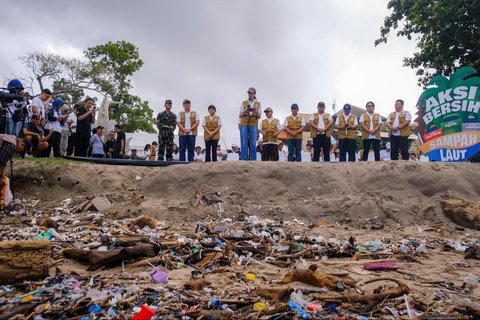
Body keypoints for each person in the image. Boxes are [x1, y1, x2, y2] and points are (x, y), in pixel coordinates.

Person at [239, 87, 261, 161]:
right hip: (244, 121)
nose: (249, 94)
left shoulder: (258, 103)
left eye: (251, 93)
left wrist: (256, 111)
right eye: (249, 93)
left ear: (254, 94)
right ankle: (243, 159)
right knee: (244, 141)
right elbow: (240, 115)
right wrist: (245, 111)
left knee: (253, 142)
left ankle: (253, 160)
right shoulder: (244, 102)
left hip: (253, 122)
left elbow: (259, 116)